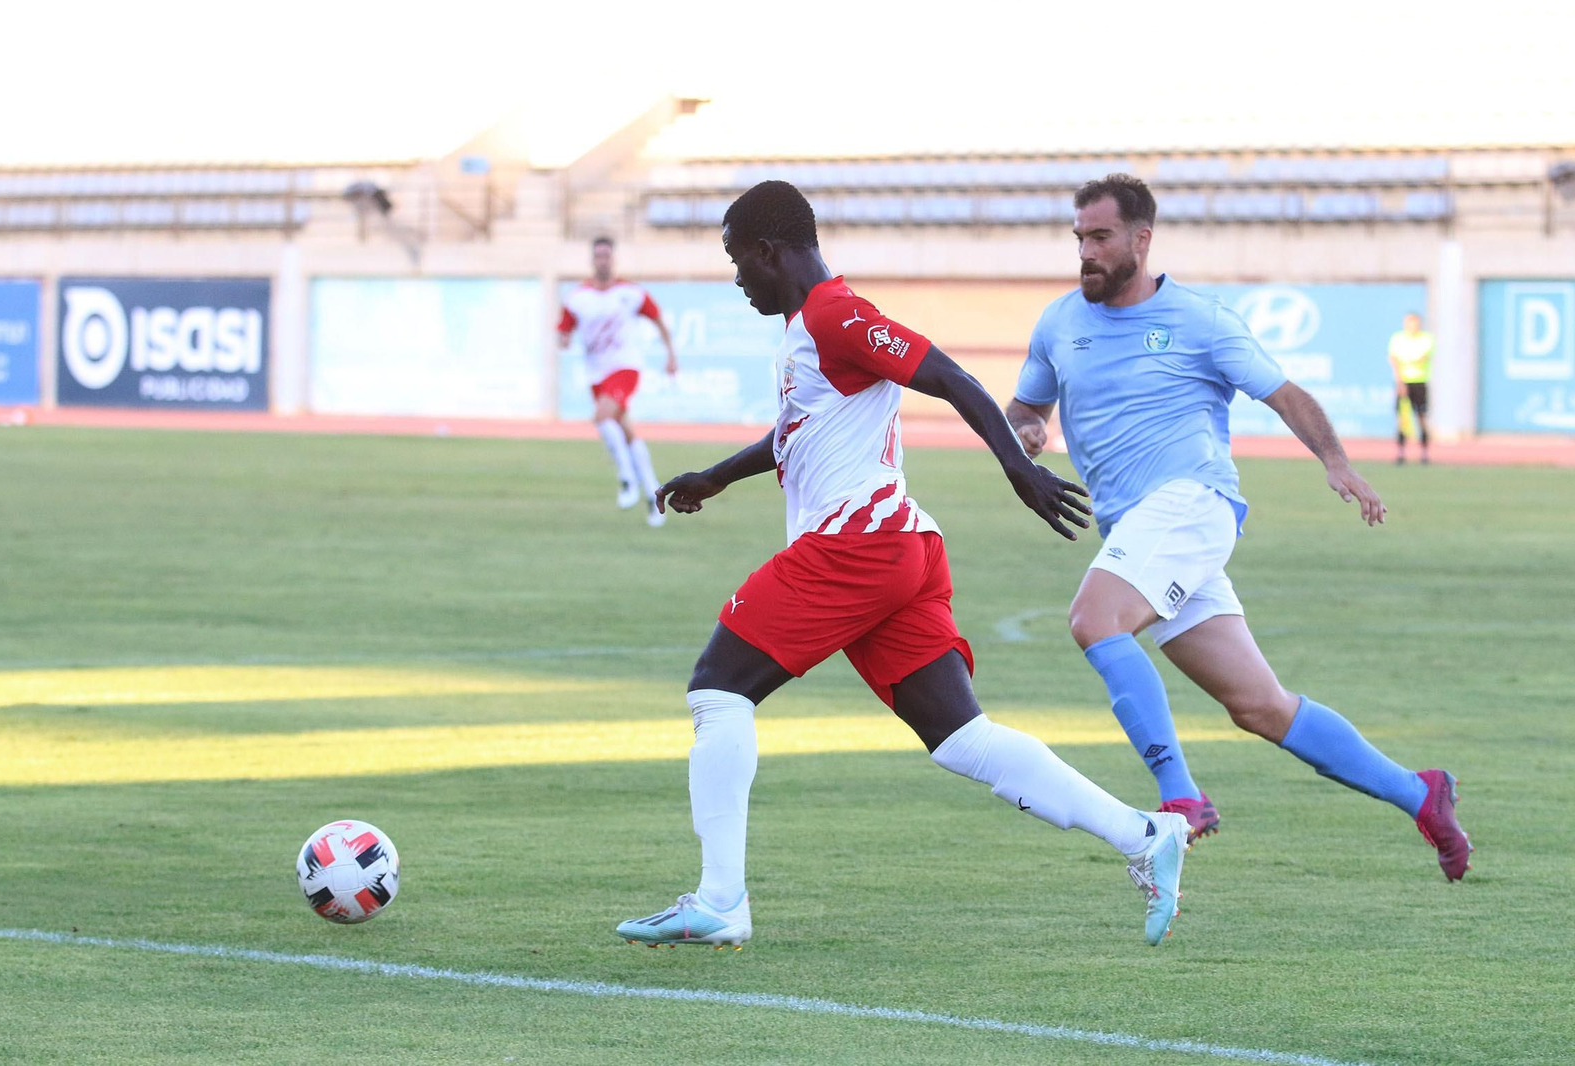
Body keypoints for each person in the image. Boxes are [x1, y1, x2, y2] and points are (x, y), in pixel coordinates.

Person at [618, 180, 1193, 951]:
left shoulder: (835, 313)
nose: (735, 279)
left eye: (736, 261)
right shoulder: (807, 327)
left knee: (718, 691)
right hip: (900, 551)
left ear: (768, 251)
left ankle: (721, 900)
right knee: (963, 739)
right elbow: (795, 433)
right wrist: (717, 476)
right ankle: (1144, 834)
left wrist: (1017, 470)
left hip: (858, 546)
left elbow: (948, 376)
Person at [1004, 175, 1471, 881]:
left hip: (1193, 503)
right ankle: (1421, 793)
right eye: (1079, 239)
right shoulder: (1059, 324)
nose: (1086, 253)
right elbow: (1025, 410)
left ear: (1141, 240)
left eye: (1100, 238)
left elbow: (1283, 394)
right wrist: (1029, 433)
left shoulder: (1201, 320)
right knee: (1260, 707)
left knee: (1095, 618)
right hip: (1141, 531)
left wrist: (1335, 461)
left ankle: (1181, 797)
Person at [556, 236, 678, 527]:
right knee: (625, 432)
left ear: (614, 259)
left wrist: (671, 355)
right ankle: (653, 492)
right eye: (598, 256)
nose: (603, 260)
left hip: (625, 367)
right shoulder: (578, 298)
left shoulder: (631, 292)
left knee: (601, 418)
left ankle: (627, 481)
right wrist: (563, 338)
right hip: (596, 373)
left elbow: (658, 319)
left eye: (607, 255)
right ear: (592, 260)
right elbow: (563, 330)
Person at [1388, 312, 1435, 464]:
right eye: (1409, 323)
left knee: (1421, 417)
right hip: (1403, 381)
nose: (1412, 326)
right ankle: (1401, 454)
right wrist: (1399, 381)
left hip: (1419, 382)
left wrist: (1407, 361)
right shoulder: (1398, 339)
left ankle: (1424, 454)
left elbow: (1423, 358)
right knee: (1402, 418)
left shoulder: (1426, 339)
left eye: (1415, 323)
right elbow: (1394, 360)